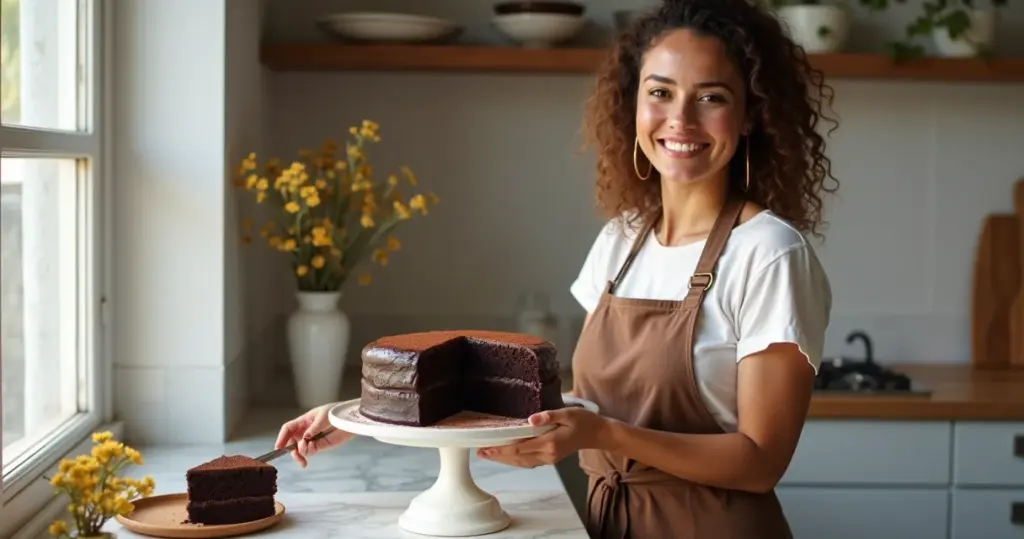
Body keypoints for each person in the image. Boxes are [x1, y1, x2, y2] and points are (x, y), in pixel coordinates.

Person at [276, 0, 838, 535]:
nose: (680, 118)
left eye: (711, 97)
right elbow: (581, 408)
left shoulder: (769, 253)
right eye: (660, 92)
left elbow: (760, 461)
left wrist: (603, 434)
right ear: (634, 106)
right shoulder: (623, 240)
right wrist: (360, 418)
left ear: (749, 115)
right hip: (601, 522)